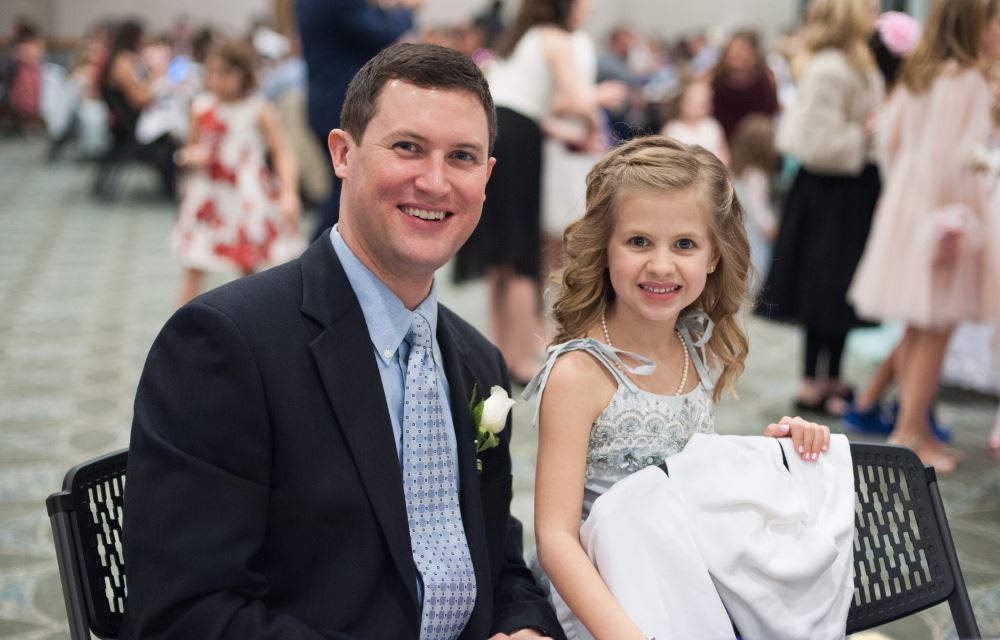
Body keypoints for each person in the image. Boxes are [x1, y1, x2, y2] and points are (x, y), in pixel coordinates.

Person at [120, 43, 564, 639]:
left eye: (461, 157)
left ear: (485, 177)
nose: (435, 182)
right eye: (407, 148)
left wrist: (525, 625)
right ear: (343, 154)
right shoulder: (225, 346)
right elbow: (186, 613)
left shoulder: (478, 362)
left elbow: (498, 564)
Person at [525, 136, 831, 639]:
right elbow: (556, 537)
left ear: (714, 256)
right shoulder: (580, 373)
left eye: (684, 244)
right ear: (604, 247)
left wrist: (771, 453)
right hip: (605, 594)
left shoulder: (696, 348)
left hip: (681, 575)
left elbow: (694, 477)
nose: (662, 265)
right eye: (639, 241)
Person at [847, 0, 999, 472]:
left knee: (919, 323)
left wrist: (905, 196)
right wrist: (950, 220)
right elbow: (947, 158)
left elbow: (890, 142)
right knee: (936, 326)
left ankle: (915, 428)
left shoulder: (922, 72)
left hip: (913, 205)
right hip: (944, 210)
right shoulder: (967, 78)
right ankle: (911, 432)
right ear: (976, 24)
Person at [454, 0, 617, 385]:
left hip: (494, 131)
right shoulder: (555, 37)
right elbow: (575, 99)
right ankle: (523, 359)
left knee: (501, 257)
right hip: (518, 142)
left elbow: (527, 102)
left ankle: (500, 350)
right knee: (522, 255)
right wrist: (600, 105)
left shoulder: (520, 37)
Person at [760, 0, 884, 418]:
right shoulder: (829, 68)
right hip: (830, 191)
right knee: (823, 286)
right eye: (869, 6)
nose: (876, 14)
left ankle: (832, 376)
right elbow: (819, 143)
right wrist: (867, 131)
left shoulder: (853, 61)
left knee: (843, 287)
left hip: (851, 188)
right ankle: (812, 380)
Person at [170, 39, 305, 306]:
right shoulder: (201, 108)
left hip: (246, 195)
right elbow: (191, 147)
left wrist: (289, 192)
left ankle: (249, 321)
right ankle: (180, 325)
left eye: (225, 74)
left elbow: (282, 153)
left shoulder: (258, 109)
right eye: (212, 73)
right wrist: (189, 157)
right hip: (210, 194)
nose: (216, 81)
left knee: (249, 264)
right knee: (194, 261)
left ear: (242, 74)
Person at [296, 0, 422, 240]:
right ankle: (318, 254)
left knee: (345, 188)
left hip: (325, 102)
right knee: (348, 190)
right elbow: (380, 32)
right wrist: (408, 9)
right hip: (342, 104)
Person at [96, 19, 178, 198]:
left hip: (126, 122)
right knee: (172, 137)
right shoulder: (124, 61)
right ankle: (171, 188)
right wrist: (156, 76)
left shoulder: (122, 58)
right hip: (129, 127)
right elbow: (138, 99)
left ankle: (170, 185)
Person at [729, 114, 778, 292]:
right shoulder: (757, 176)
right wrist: (770, 228)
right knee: (756, 268)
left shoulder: (734, 170)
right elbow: (758, 209)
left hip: (738, 227)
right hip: (753, 234)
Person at [710, 30, 780, 145]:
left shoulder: (764, 80)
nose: (737, 53)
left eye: (743, 49)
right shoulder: (716, 80)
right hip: (723, 141)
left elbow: (770, 113)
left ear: (754, 54)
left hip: (756, 141)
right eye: (733, 48)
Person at [660, 78, 730, 165]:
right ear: (682, 102)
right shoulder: (672, 129)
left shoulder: (712, 125)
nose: (700, 107)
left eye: (704, 102)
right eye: (695, 102)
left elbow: (724, 153)